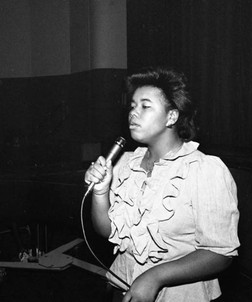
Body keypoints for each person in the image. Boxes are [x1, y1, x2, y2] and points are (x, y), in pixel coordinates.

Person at [84, 66, 240, 302]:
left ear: (172, 116)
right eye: (133, 106)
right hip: (123, 287)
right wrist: (101, 191)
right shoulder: (124, 163)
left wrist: (154, 277)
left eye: (145, 106)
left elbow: (220, 254)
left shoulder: (205, 170)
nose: (133, 113)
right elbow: (106, 231)